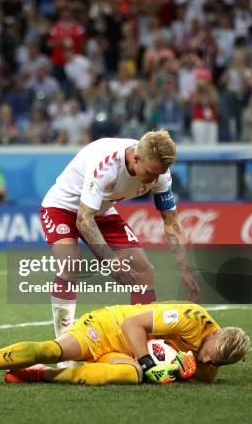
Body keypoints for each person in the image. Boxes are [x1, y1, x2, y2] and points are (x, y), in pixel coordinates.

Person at [40, 131, 200, 350]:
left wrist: (185, 266)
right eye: (151, 173)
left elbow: (171, 220)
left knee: (144, 273)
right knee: (69, 265)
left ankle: (143, 347)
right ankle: (63, 349)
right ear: (136, 158)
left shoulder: (160, 172)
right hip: (62, 207)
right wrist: (111, 261)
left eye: (159, 174)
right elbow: (83, 220)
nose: (154, 180)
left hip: (101, 211)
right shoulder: (107, 164)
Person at [0, 302, 251, 385]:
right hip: (107, 328)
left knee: (131, 376)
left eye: (216, 364)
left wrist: (187, 369)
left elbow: (193, 373)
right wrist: (148, 362)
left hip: (123, 354)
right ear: (213, 335)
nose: (209, 363)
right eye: (210, 355)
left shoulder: (215, 356)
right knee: (51, 350)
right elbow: (132, 324)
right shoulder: (189, 317)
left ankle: (42, 375)